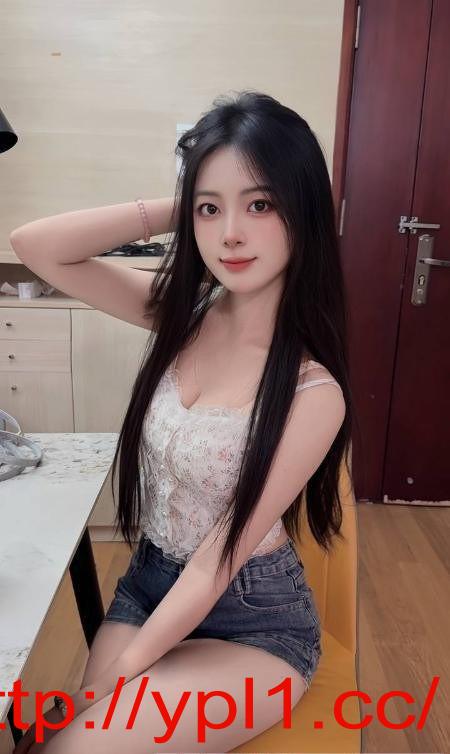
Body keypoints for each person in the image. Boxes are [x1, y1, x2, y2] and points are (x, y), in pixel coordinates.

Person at [10, 90, 355, 753]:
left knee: (72, 745)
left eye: (261, 204)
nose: (231, 234)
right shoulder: (183, 314)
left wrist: (115, 676)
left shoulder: (314, 392)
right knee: (47, 740)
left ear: (303, 210)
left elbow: (216, 564)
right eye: (210, 210)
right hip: (149, 585)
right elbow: (37, 246)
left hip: (254, 623)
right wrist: (189, 195)